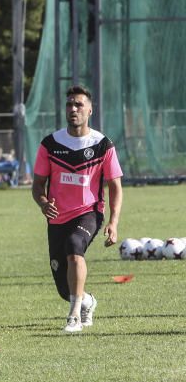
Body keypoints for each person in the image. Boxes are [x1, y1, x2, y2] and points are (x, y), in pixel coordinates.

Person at [32, 85, 123, 333]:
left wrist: (113, 223)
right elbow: (38, 185)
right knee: (65, 288)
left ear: (90, 110)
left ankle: (74, 316)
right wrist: (43, 203)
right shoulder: (51, 144)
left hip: (89, 212)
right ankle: (86, 301)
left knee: (75, 247)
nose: (73, 109)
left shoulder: (103, 144)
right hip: (57, 218)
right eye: (69, 104)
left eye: (79, 104)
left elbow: (115, 186)